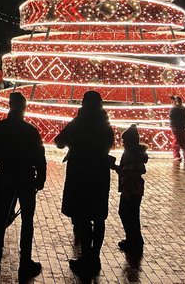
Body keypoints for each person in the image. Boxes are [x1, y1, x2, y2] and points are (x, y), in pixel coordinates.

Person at [54, 91, 114, 277]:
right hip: (100, 173)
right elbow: (109, 145)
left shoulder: (78, 123)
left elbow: (59, 141)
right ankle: (94, 257)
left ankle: (86, 257)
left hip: (80, 172)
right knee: (98, 216)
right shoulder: (106, 125)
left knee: (83, 216)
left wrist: (72, 143)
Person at [0, 92, 45, 280]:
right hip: (26, 177)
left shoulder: (0, 128)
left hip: (5, 174)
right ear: (24, 108)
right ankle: (25, 261)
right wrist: (41, 178)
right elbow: (39, 156)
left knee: (1, 215)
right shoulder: (30, 131)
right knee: (27, 221)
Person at [112, 124, 148, 255]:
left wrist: (115, 167)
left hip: (130, 188)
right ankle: (135, 239)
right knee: (132, 214)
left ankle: (132, 240)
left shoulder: (129, 154)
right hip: (135, 188)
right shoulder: (136, 153)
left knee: (126, 213)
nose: (123, 143)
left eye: (124, 140)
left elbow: (127, 171)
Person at [168, 96, 185, 163]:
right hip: (177, 128)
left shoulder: (180, 109)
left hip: (181, 127)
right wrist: (172, 127)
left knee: (182, 143)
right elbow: (172, 120)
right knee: (178, 142)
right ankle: (180, 156)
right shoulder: (176, 109)